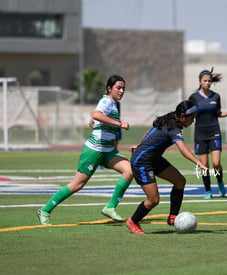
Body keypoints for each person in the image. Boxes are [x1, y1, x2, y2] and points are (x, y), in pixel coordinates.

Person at [37, 75, 133, 225]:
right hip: (94, 150)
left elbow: (95, 115)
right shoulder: (107, 100)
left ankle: (110, 207)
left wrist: (95, 120)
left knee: (129, 170)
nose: (121, 91)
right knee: (77, 185)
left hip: (108, 151)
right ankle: (45, 210)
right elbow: (96, 114)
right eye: (118, 88)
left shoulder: (112, 103)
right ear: (109, 89)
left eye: (123, 88)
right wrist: (118, 123)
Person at [126, 100, 208, 234]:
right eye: (191, 118)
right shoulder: (173, 127)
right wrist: (198, 163)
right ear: (182, 116)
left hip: (155, 159)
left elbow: (148, 133)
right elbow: (182, 149)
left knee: (180, 181)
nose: (193, 121)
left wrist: (140, 145)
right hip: (142, 162)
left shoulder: (170, 118)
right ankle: (133, 221)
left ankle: (173, 216)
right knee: (154, 200)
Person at [188, 67, 227, 199]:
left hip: (214, 132)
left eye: (209, 81)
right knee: (204, 165)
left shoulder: (216, 97)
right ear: (200, 82)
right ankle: (208, 191)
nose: (207, 83)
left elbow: (218, 114)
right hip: (200, 134)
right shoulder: (193, 98)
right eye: (205, 81)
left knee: (216, 163)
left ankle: (220, 182)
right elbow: (188, 114)